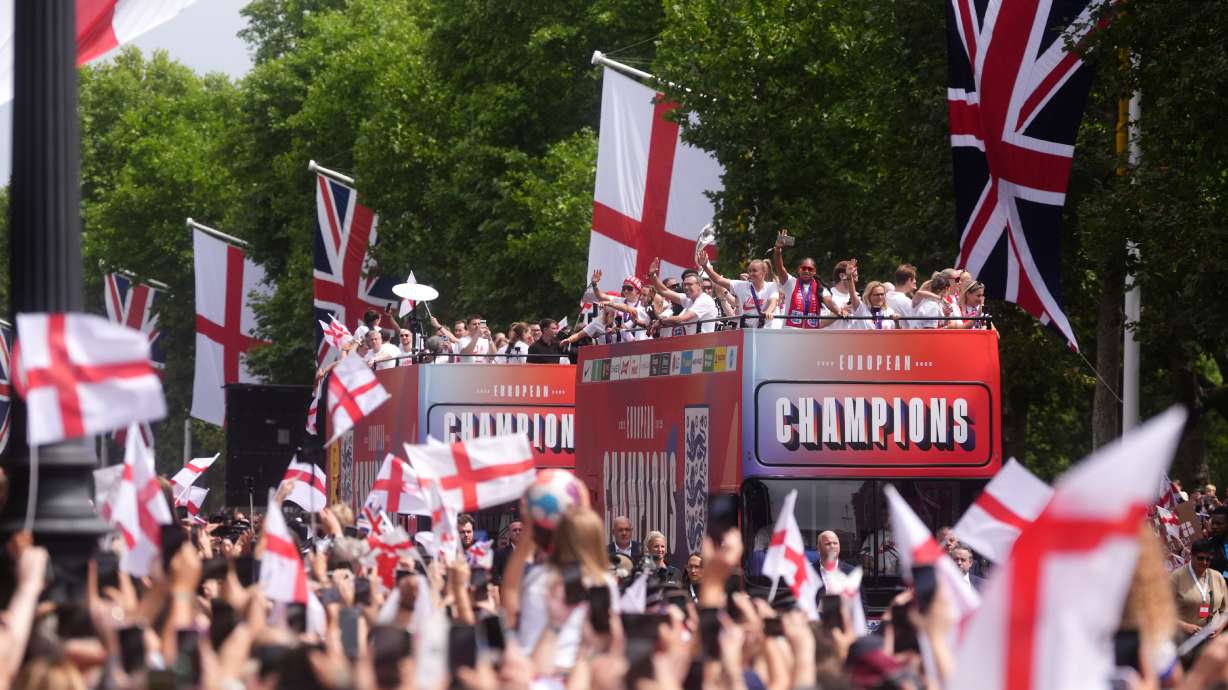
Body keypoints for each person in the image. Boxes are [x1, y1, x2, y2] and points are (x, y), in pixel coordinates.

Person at [771, 230, 842, 329]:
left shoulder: (820, 288)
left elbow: (829, 302)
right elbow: (780, 267)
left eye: (810, 269)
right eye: (803, 268)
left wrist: (839, 311)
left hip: (810, 334)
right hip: (790, 333)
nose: (806, 271)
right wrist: (778, 249)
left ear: (814, 271)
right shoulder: (790, 282)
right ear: (799, 270)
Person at [697, 251, 780, 328]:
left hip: (767, 332)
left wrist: (769, 311)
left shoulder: (771, 286)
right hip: (747, 332)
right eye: (749, 271)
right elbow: (718, 280)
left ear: (764, 272)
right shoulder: (742, 286)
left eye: (754, 271)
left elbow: (773, 301)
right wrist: (705, 266)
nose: (751, 274)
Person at [1173, 539, 1228, 643]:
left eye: (1208, 559)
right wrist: (1185, 626)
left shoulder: (1217, 576)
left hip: (1214, 638)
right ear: (1192, 556)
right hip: (1188, 641)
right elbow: (1163, 611)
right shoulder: (1176, 578)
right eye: (1200, 558)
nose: (1204, 562)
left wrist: (1220, 627)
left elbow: (1226, 609)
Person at [647, 258, 719, 335]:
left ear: (699, 285)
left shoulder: (704, 300)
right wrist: (653, 275)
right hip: (692, 343)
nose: (686, 287)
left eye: (690, 284)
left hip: (705, 344)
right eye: (684, 285)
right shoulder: (688, 299)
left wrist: (660, 321)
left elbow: (681, 319)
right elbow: (664, 291)